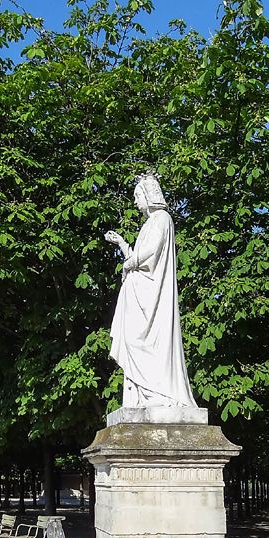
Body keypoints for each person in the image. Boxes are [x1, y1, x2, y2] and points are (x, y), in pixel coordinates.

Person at [104, 173, 197, 408]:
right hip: (141, 294)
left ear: (149, 195)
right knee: (134, 340)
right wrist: (123, 245)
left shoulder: (162, 219)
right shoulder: (151, 223)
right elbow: (141, 256)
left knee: (141, 342)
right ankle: (143, 394)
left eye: (137, 196)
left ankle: (159, 393)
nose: (136, 202)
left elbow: (148, 254)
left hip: (151, 299)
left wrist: (129, 262)